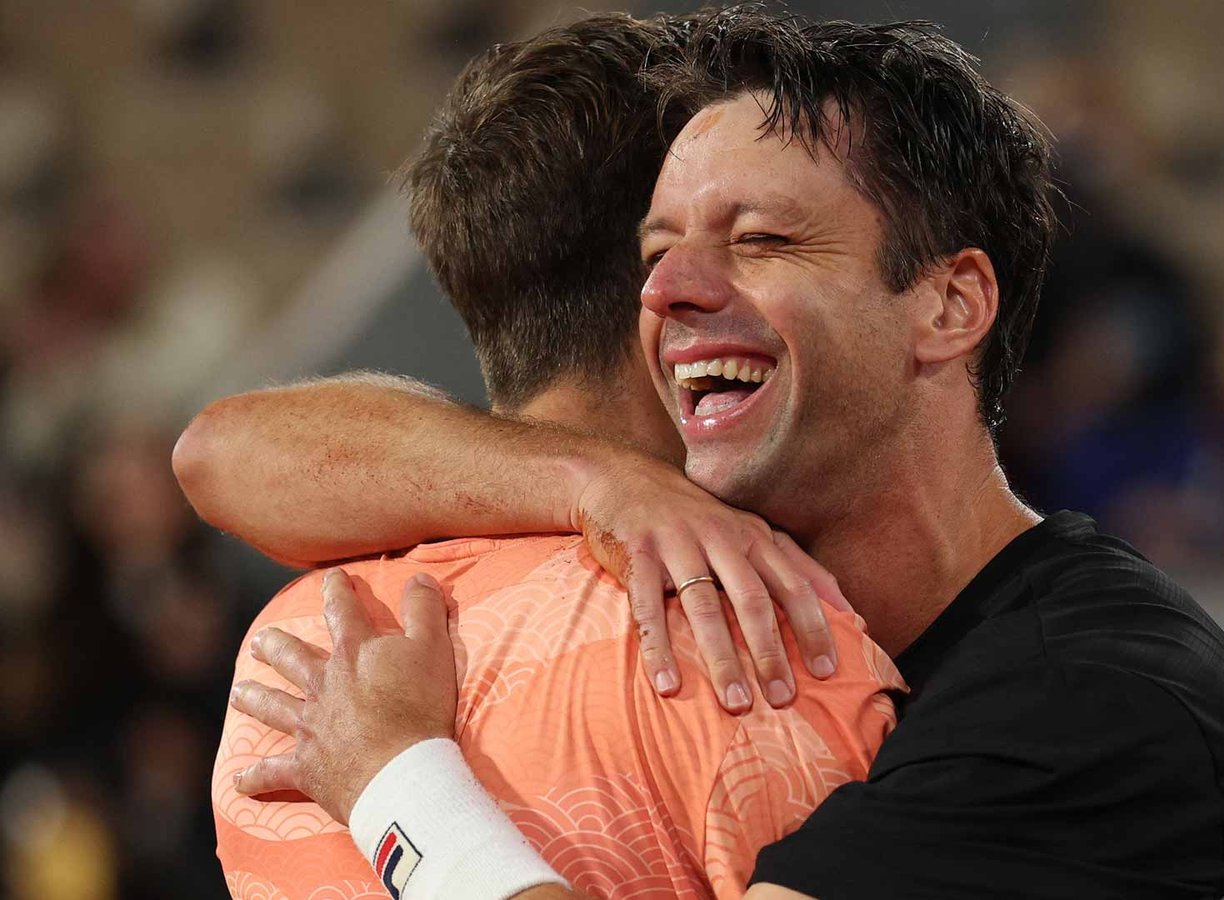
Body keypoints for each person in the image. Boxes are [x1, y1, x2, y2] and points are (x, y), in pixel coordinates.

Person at [182, 9, 1224, 899]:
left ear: (949, 307)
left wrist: (401, 791)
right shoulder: (741, 598)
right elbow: (223, 454)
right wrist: (593, 477)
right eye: (658, 248)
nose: (668, 291)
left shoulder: (1090, 703)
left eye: (761, 239)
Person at [209, 17, 901, 900]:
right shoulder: (764, 640)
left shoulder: (291, 659)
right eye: (761, 239)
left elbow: (209, 451)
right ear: (672, 274)